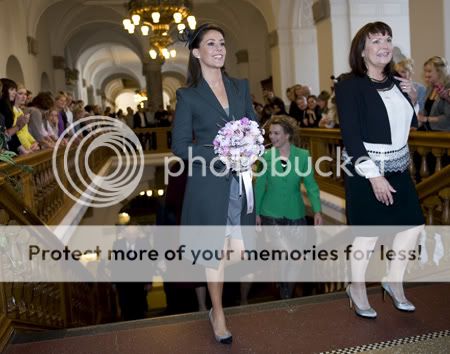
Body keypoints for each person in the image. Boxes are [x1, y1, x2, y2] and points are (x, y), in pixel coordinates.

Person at [172, 23, 257, 345]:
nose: (219, 49)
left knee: (239, 252)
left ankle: (217, 305)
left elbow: (252, 124)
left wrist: (249, 145)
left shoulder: (241, 86)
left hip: (241, 180)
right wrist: (220, 155)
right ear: (196, 52)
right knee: (214, 253)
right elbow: (180, 145)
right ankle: (217, 312)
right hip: (209, 182)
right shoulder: (188, 95)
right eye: (211, 44)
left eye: (222, 43)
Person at [335, 22, 425, 319]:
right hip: (365, 167)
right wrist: (374, 176)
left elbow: (410, 125)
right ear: (362, 51)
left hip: (398, 164)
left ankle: (393, 279)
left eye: (388, 38)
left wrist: (413, 100)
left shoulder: (399, 81)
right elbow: (350, 134)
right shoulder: (349, 84)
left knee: (413, 225)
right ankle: (357, 287)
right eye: (376, 41)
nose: (384, 45)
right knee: (368, 233)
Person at [255, 115, 322, 299]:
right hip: (270, 213)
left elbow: (311, 185)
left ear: (287, 135)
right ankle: (284, 292)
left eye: (276, 133)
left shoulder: (303, 156)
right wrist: (256, 213)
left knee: (295, 259)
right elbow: (259, 186)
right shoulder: (266, 157)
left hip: (296, 213)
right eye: (270, 133)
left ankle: (285, 293)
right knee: (289, 253)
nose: (272, 137)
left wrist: (317, 210)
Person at [417, 56, 450, 131]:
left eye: (429, 71)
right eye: (425, 71)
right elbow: (425, 112)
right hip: (429, 131)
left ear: (440, 71)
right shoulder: (430, 88)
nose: (426, 74)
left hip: (445, 134)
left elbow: (448, 118)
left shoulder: (448, 87)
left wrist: (426, 119)